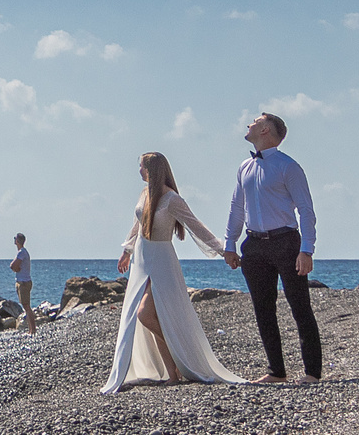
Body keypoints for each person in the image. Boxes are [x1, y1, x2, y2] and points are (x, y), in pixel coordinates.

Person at [100, 150, 237, 393]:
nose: (139, 171)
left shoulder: (172, 199)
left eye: (142, 166)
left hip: (162, 261)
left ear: (152, 170)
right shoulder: (145, 194)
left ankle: (180, 360)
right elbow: (138, 224)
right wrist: (127, 250)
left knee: (144, 314)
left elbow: (196, 226)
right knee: (144, 313)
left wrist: (223, 249)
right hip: (141, 260)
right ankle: (172, 373)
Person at [221, 111, 323, 384]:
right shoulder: (245, 167)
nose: (249, 123)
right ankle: (276, 371)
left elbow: (306, 210)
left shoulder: (288, 167)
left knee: (300, 306)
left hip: (286, 242)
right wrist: (229, 243)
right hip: (253, 246)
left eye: (255, 121)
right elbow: (237, 207)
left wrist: (307, 249)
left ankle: (312, 373)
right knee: (263, 309)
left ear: (266, 130)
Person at [11, 233, 35, 334]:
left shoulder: (21, 253)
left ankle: (32, 330)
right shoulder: (22, 252)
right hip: (23, 281)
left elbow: (13, 265)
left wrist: (15, 268)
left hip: (23, 282)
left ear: (17, 241)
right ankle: (31, 329)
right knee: (26, 306)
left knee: (26, 306)